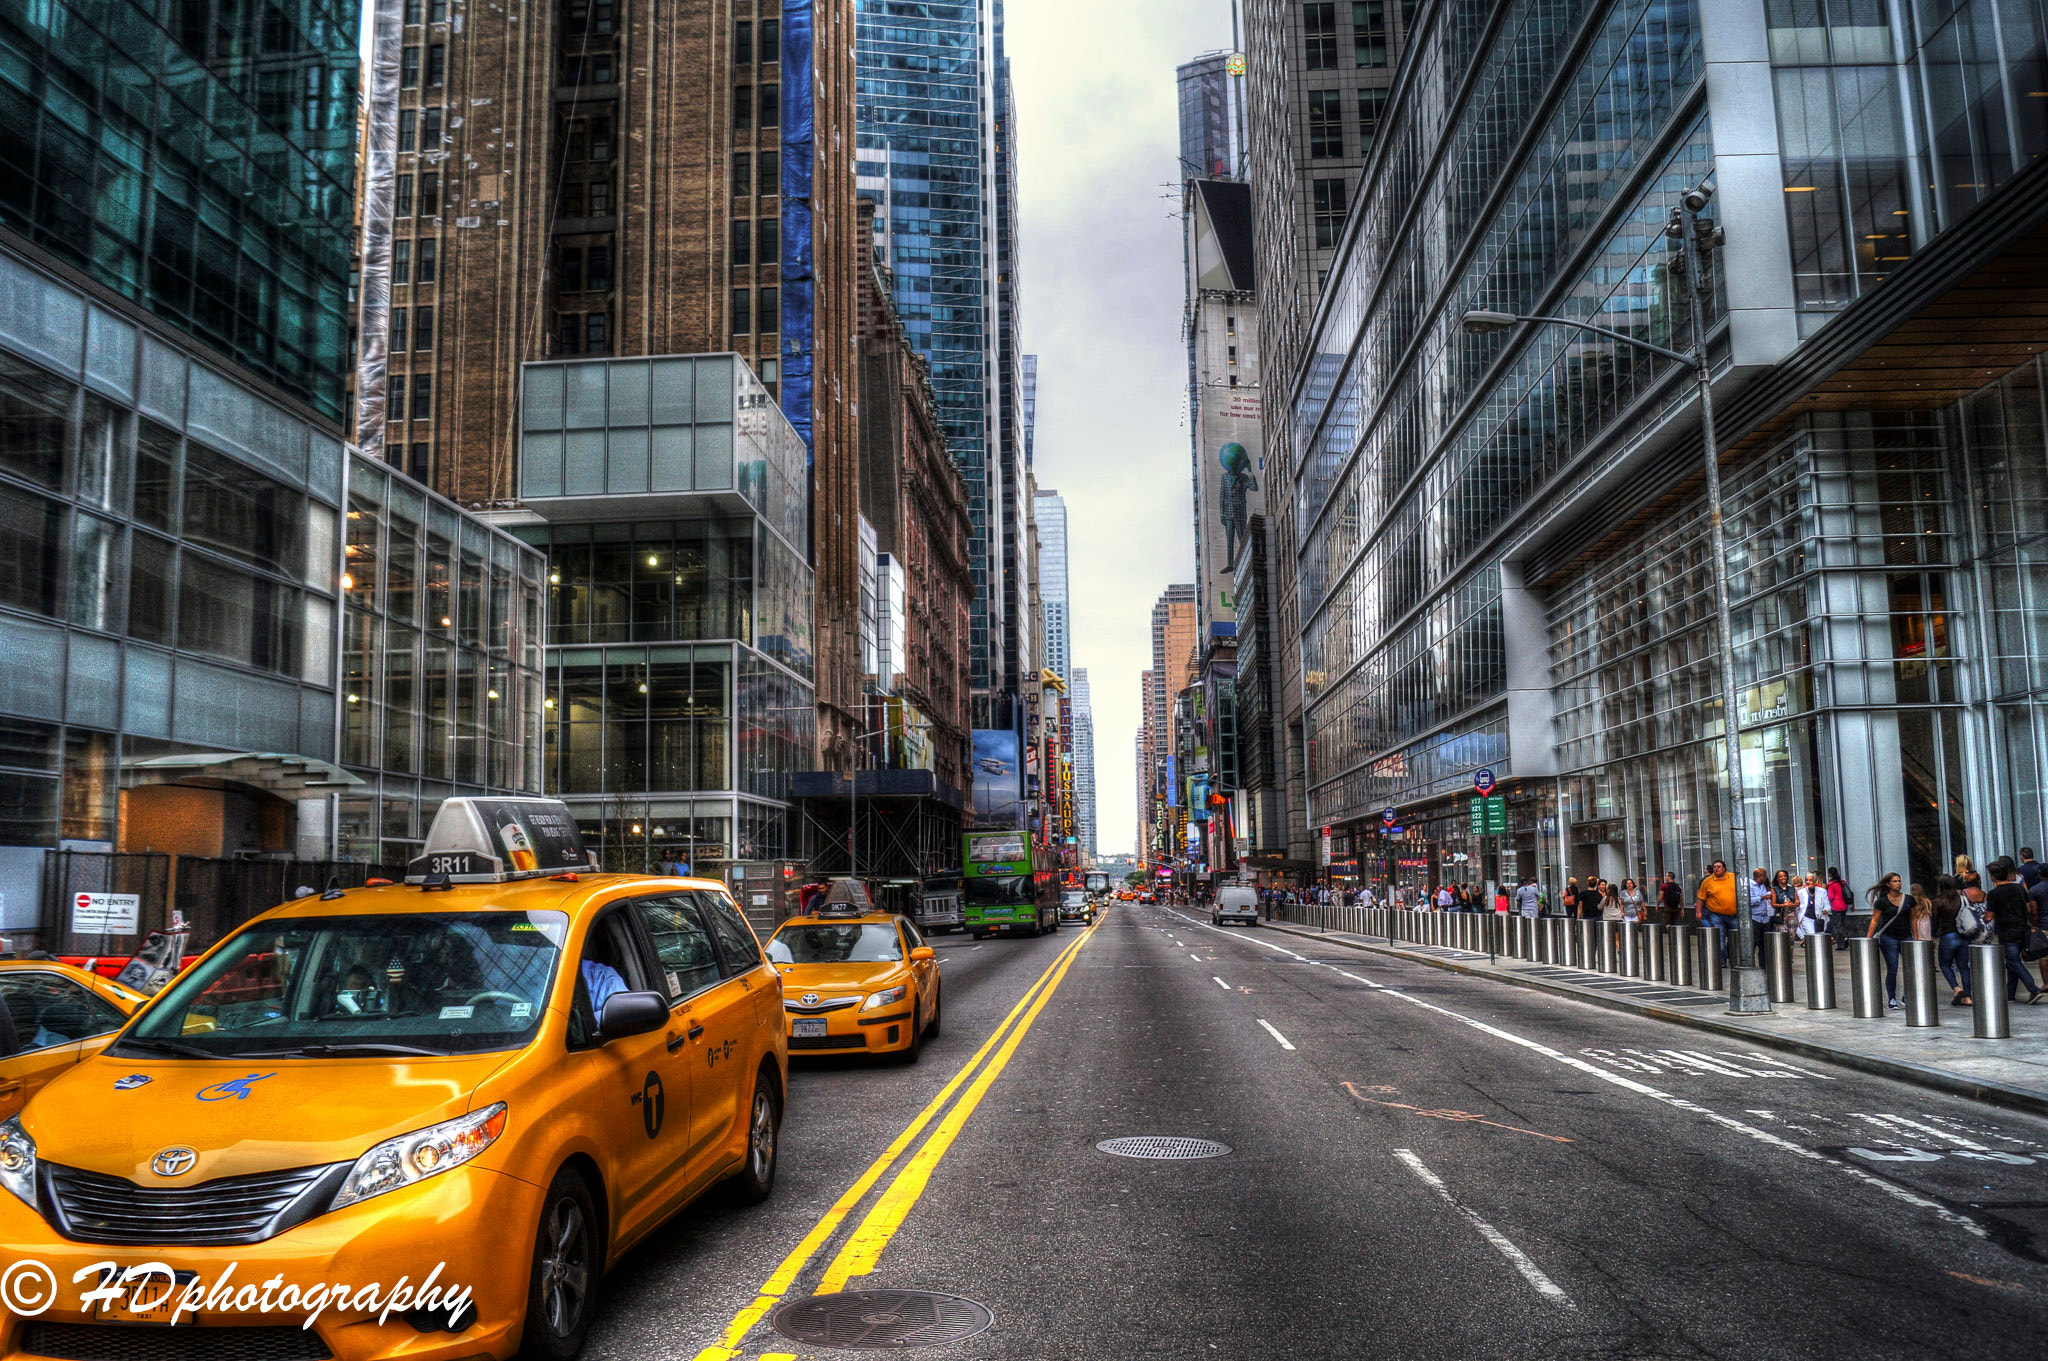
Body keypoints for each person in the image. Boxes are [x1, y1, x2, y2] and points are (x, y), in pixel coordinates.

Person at [1984, 856, 2046, 1004]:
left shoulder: (1994, 893)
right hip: (2022, 928)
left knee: (2013, 962)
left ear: (1993, 876)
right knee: (2013, 962)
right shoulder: (2018, 888)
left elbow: (1989, 916)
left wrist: (1984, 918)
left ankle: (2033, 988)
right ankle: (2010, 993)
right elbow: (2030, 907)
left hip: (2007, 931)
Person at [1865, 873, 1915, 1010]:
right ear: (1888, 884)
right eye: (1895, 881)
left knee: (1912, 967)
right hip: (1888, 937)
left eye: (1899, 881)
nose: (1898, 883)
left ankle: (1907, 995)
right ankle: (1892, 998)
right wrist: (1868, 939)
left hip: (1906, 936)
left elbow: (1913, 919)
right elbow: (1875, 920)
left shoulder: (1909, 900)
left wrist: (1916, 938)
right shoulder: (1882, 901)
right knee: (1892, 968)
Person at [1929, 874, 1975, 1006]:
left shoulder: (1937, 902)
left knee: (1944, 964)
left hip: (1948, 936)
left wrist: (1932, 936)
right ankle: (1967, 997)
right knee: (1964, 967)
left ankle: (1956, 987)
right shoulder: (1962, 899)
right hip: (1964, 935)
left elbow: (1935, 922)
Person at [1697, 861, 1739, 962]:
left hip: (1734, 915)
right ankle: (1722, 959)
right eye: (1714, 867)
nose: (1716, 869)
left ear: (1724, 868)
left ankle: (1733, 958)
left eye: (1719, 867)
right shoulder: (1708, 881)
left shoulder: (1733, 877)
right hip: (1716, 915)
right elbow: (1700, 898)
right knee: (1719, 938)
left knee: (1735, 938)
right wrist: (1698, 912)